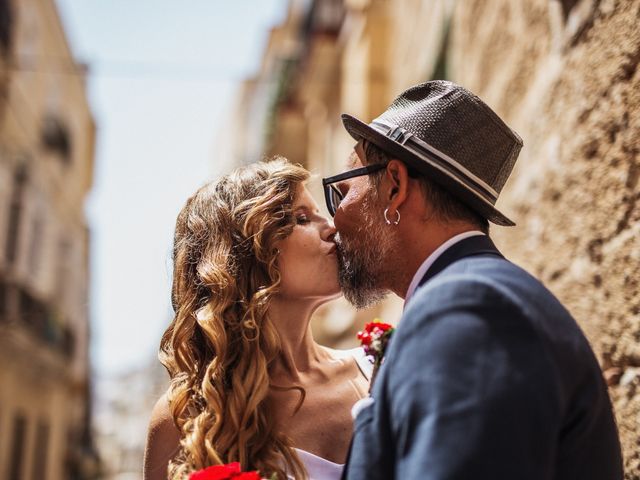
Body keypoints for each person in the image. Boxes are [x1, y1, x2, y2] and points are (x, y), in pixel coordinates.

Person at [321, 80, 623, 479]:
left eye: (341, 193)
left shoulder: (465, 309)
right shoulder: (475, 297)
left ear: (394, 186)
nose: (334, 220)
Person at [144, 158, 371, 480]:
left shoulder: (380, 367)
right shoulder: (187, 416)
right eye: (301, 218)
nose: (331, 227)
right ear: (247, 252)